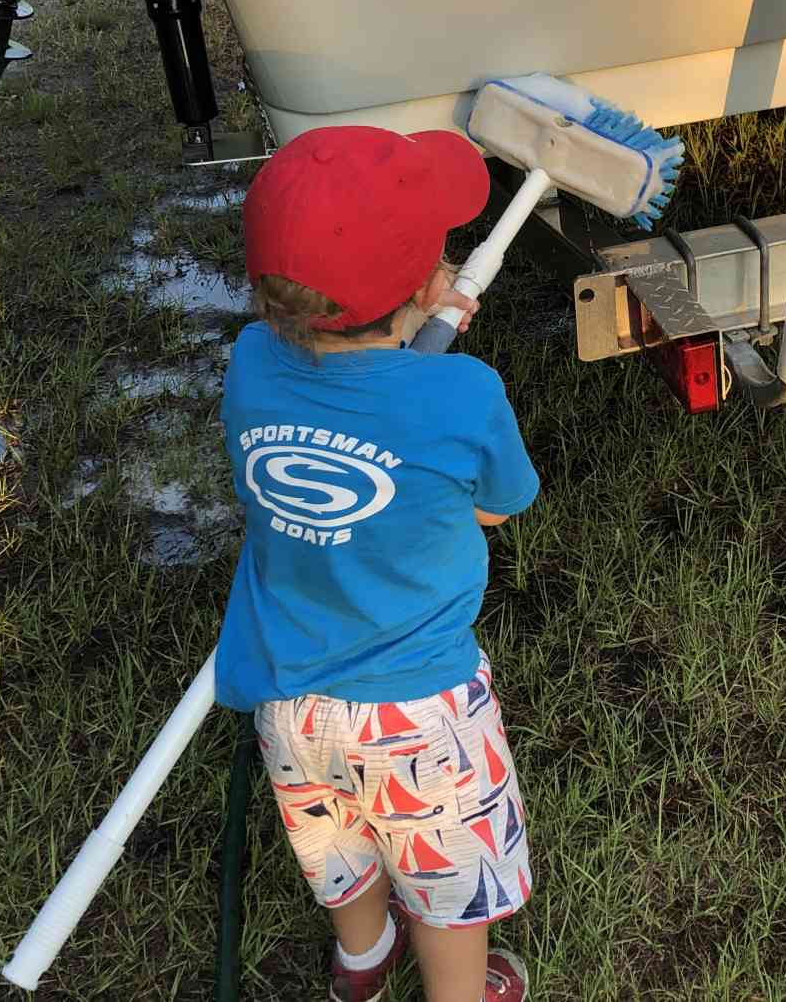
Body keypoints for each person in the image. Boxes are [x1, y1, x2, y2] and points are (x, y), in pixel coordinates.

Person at [214, 125, 539, 1002]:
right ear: (428, 283)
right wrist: (428, 352)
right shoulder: (464, 393)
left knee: (340, 849)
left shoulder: (249, 365)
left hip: (290, 698)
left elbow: (343, 399)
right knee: (447, 885)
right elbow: (496, 502)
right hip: (418, 713)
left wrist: (411, 330)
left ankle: (361, 961)